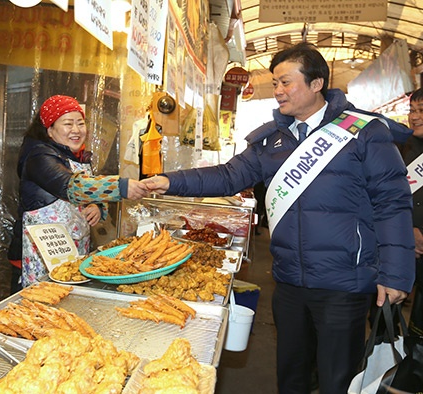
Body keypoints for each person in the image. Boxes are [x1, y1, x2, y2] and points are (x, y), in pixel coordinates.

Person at [142, 42, 415, 394]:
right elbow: (227, 176)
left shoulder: (364, 132)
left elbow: (392, 203)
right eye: (275, 84)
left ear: (317, 83)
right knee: (291, 377)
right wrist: (167, 181)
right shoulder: (271, 141)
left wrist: (396, 275)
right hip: (288, 283)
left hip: (343, 284)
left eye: (286, 82)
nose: (279, 91)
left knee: (338, 379)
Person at [8, 95, 146, 291]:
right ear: (49, 129)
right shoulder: (39, 156)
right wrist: (122, 187)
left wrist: (97, 206)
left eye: (80, 123)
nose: (76, 130)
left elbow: (90, 188)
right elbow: (72, 187)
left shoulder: (76, 156)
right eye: (68, 124)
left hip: (71, 253)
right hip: (39, 255)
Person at [399, 87, 423, 336]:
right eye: (412, 110)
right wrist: (408, 232)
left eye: (421, 111)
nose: (415, 117)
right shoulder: (400, 147)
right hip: (399, 248)